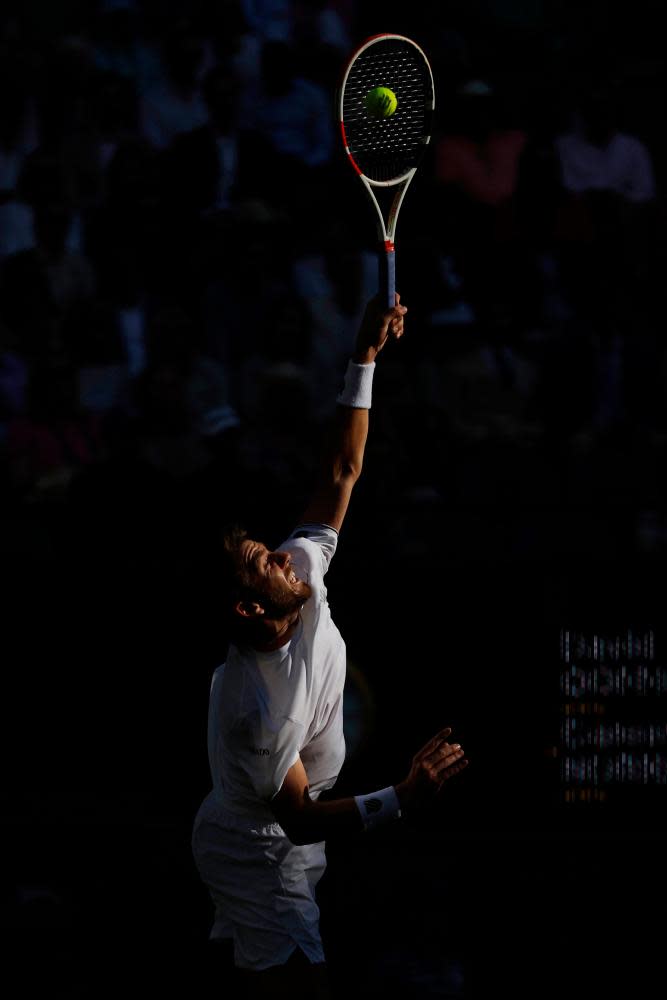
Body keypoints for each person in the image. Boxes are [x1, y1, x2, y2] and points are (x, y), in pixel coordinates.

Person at [191, 295, 468, 999]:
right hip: (255, 852)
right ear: (252, 607)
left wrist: (363, 357)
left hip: (287, 837)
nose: (284, 557)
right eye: (266, 564)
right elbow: (298, 816)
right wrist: (401, 798)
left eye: (273, 553)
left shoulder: (299, 574)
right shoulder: (254, 708)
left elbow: (341, 473)